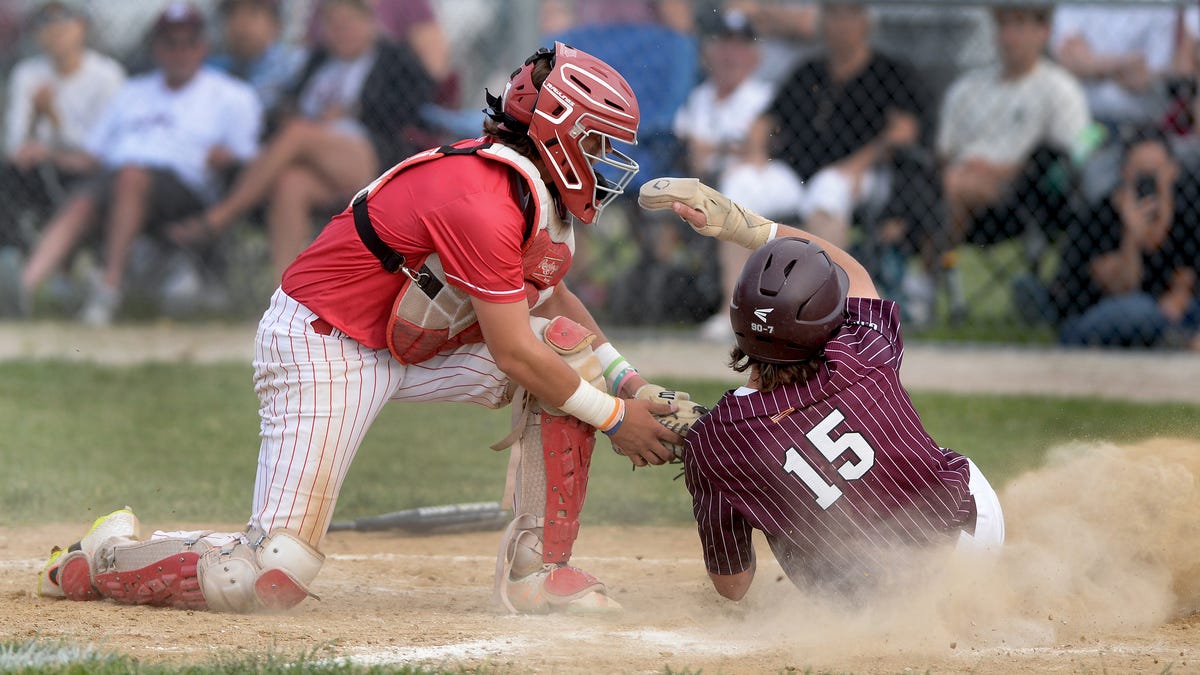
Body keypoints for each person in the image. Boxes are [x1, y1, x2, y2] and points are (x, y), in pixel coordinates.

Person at [37, 42, 688, 616]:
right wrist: (614, 417)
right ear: (556, 131)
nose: (606, 164)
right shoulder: (483, 198)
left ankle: (537, 572)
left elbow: (553, 301)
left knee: (567, 356)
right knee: (265, 576)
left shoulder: (530, 193)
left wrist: (632, 382)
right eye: (598, 143)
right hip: (324, 343)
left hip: (407, 341)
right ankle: (106, 555)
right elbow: (514, 351)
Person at [637, 177, 1005, 599]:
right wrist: (746, 228)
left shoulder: (715, 442)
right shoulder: (861, 351)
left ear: (738, 321)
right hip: (978, 532)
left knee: (786, 516)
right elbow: (856, 274)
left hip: (884, 599)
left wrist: (708, 454)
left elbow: (733, 586)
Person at [15, 1, 263, 324]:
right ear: (156, 48)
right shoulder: (133, 91)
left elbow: (248, 163)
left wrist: (224, 159)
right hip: (117, 180)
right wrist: (47, 153)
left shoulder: (232, 96)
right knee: (85, 200)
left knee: (130, 177)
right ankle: (23, 288)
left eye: (189, 43)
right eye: (170, 43)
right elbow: (92, 157)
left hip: (186, 193)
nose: (180, 52)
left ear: (204, 47)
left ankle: (108, 289)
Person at [168, 0, 436, 282]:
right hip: (311, 157)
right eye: (332, 25)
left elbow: (417, 101)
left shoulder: (392, 58)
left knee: (298, 132)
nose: (340, 32)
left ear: (369, 24)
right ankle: (286, 293)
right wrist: (292, 115)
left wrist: (353, 110)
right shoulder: (319, 62)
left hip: (367, 154)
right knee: (289, 184)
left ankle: (219, 218)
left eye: (347, 24)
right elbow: (290, 103)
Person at [711, 1, 929, 339]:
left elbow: (903, 131)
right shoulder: (809, 69)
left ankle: (819, 314)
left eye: (850, 14)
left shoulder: (888, 71)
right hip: (796, 173)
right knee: (738, 184)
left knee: (829, 189)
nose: (840, 23)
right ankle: (734, 309)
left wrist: (857, 165)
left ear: (866, 23)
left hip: (860, 174)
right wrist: (755, 152)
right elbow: (766, 119)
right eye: (833, 14)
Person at [924, 4, 1093, 324]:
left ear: (1044, 32)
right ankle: (926, 289)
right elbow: (943, 152)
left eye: (1019, 25)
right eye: (1002, 25)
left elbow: (1074, 154)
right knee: (942, 183)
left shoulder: (1061, 88)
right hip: (957, 189)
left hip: (1022, 198)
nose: (1007, 36)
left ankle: (923, 286)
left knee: (953, 185)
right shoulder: (967, 87)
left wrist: (1000, 171)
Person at [1017, 125, 1200, 350]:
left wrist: (1177, 299)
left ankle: (1171, 339)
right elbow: (1123, 287)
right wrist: (1131, 237)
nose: (1149, 181)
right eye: (1140, 172)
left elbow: (1185, 274)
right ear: (1124, 172)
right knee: (1140, 312)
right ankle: (1176, 340)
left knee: (1183, 311)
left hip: (1164, 310)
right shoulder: (1103, 215)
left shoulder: (1185, 208)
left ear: (1173, 170)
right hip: (1102, 309)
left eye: (1157, 172)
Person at [0, 1, 125, 254]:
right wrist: (36, 120)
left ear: (82, 26)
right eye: (45, 21)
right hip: (39, 168)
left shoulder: (107, 75)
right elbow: (14, 144)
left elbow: (101, 148)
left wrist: (55, 120)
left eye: (64, 19)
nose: (55, 29)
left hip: (89, 171)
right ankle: (14, 257)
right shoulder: (27, 74)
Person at [1051, 5, 1198, 131]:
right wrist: (1121, 64)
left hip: (1141, 123)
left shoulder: (1161, 7)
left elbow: (1148, 75)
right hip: (1082, 119)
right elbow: (1069, 59)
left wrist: (1093, 64)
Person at [208, 0, 306, 111]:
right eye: (232, 14)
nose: (240, 25)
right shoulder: (216, 69)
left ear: (276, 23)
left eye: (253, 13)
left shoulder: (299, 66)